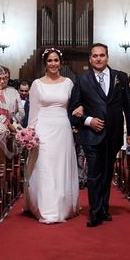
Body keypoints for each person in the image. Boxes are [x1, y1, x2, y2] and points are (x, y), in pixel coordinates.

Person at [69, 43, 130, 227]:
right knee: (94, 174)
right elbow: (73, 110)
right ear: (90, 59)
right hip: (91, 134)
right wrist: (89, 120)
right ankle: (95, 212)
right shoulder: (82, 80)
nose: (98, 58)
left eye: (102, 55)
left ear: (107, 57)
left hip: (113, 134)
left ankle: (104, 208)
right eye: (95, 56)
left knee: (107, 174)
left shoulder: (120, 77)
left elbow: (128, 106)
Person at [24, 49, 79, 223]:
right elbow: (33, 111)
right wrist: (30, 132)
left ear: (60, 63)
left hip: (62, 127)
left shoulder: (68, 83)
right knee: (45, 167)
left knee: (60, 166)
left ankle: (62, 206)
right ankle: (47, 208)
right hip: (43, 128)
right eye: (50, 61)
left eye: (56, 60)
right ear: (45, 63)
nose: (53, 63)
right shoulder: (37, 84)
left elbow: (74, 105)